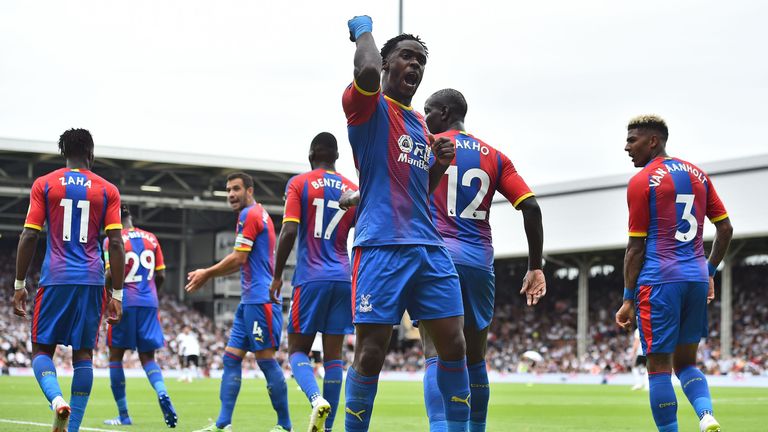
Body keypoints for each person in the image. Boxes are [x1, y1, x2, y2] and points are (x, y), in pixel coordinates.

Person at [341, 15, 469, 432]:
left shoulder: (419, 124)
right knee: (371, 354)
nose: (414, 66)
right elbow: (363, 70)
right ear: (384, 64)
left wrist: (438, 165)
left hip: (429, 249)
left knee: (454, 345)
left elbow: (418, 190)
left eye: (420, 62)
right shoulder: (369, 106)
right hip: (381, 247)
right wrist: (363, 31)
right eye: (406, 58)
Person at [419, 88, 546, 432]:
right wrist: (535, 266)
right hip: (478, 262)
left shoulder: (427, 145)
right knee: (475, 360)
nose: (425, 116)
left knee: (435, 353)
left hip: (436, 257)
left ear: (443, 113)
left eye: (429, 111)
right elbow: (531, 207)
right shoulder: (496, 156)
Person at [615, 115, 733, 432]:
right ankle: (706, 414)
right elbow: (725, 229)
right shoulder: (699, 175)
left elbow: (635, 248)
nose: (626, 147)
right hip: (695, 278)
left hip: (659, 281)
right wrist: (708, 271)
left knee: (658, 368)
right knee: (687, 363)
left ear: (653, 140)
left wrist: (627, 299)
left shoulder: (642, 181)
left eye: (632, 139)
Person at [13, 128, 125, 432]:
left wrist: (19, 285)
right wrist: (117, 294)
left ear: (64, 152)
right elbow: (116, 243)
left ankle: (56, 400)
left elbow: (29, 235)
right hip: (91, 279)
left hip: (56, 277)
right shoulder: (107, 189)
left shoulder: (45, 184)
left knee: (41, 351)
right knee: (84, 355)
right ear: (91, 153)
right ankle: (72, 427)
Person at [187, 172, 292, 432]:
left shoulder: (250, 215)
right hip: (250, 301)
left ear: (250, 190)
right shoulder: (258, 214)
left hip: (260, 300)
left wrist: (206, 273)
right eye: (228, 190)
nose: (231, 194)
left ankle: (285, 425)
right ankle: (223, 423)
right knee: (231, 358)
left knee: (266, 360)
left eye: (236, 189)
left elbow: (239, 258)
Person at [269, 132, 358, 432]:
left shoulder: (300, 183)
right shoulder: (351, 188)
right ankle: (329, 428)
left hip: (310, 277)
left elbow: (289, 231)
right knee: (335, 357)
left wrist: (277, 274)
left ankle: (316, 397)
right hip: (342, 278)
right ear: (336, 157)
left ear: (311, 154)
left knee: (296, 350)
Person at [102, 204, 177, 427]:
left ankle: (124, 415)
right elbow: (161, 275)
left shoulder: (111, 240)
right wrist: (151, 292)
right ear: (130, 216)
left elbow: (109, 273)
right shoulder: (151, 238)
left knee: (116, 357)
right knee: (148, 358)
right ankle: (162, 392)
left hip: (124, 301)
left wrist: (109, 295)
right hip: (149, 302)